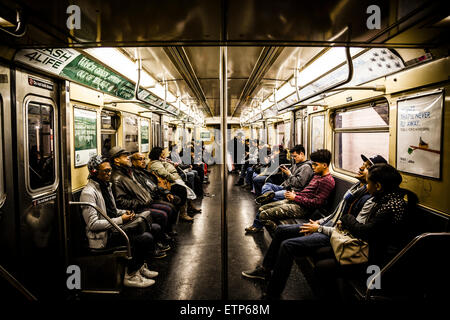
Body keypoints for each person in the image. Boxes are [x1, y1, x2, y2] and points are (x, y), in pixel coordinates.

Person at [241, 154, 388, 299]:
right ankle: (265, 269)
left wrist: (318, 228)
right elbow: (337, 214)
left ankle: (272, 294)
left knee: (288, 245)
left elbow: (350, 228)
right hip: (325, 224)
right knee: (280, 230)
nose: (361, 167)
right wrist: (320, 222)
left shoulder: (368, 197)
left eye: (368, 167)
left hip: (333, 233)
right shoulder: (358, 187)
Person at [80, 155, 158, 288]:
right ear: (94, 172)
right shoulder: (89, 192)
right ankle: (131, 275)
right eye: (105, 171)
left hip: (113, 228)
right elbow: (93, 224)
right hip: (102, 237)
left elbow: (112, 210)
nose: (109, 174)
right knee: (145, 238)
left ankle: (139, 267)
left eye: (110, 170)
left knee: (151, 227)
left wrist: (123, 213)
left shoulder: (106, 186)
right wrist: (120, 220)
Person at [245, 149, 335, 233]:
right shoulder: (317, 175)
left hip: (303, 208)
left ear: (324, 165)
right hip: (297, 200)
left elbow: (316, 203)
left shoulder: (327, 181)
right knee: (261, 209)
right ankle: (262, 226)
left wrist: (296, 197)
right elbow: (307, 192)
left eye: (315, 164)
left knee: (263, 215)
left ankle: (278, 232)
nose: (313, 167)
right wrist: (296, 194)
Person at [108, 146, 172, 254]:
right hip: (134, 209)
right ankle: (154, 246)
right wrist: (140, 203)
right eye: (125, 156)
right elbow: (120, 202)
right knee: (162, 214)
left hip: (143, 203)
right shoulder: (117, 178)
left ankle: (161, 238)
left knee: (168, 208)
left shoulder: (126, 173)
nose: (128, 158)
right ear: (116, 160)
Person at [131, 152, 180, 237]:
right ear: (133, 162)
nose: (143, 161)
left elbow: (154, 186)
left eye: (144, 159)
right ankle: (162, 235)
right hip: (146, 200)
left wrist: (166, 192)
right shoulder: (134, 175)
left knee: (174, 203)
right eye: (140, 159)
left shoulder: (144, 172)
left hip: (153, 196)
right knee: (165, 211)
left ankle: (168, 229)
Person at [148, 146, 199, 221]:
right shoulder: (155, 164)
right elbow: (165, 174)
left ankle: (189, 206)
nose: (163, 155)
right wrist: (175, 178)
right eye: (162, 154)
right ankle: (183, 214)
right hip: (167, 183)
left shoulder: (161, 161)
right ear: (157, 155)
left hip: (171, 180)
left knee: (187, 184)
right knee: (182, 189)